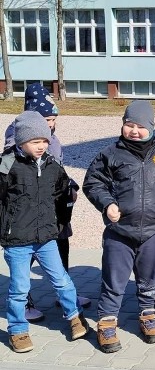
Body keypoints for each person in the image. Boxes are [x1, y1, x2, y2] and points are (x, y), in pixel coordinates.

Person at [83, 100, 155, 353]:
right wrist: (107, 204)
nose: (134, 130)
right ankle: (107, 321)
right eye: (129, 125)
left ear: (152, 127)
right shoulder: (110, 154)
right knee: (114, 280)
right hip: (119, 232)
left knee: (149, 280)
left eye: (140, 126)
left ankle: (147, 316)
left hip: (154, 231)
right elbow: (93, 183)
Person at [1, 111, 89, 352]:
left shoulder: (52, 165)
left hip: (47, 237)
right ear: (20, 142)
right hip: (17, 240)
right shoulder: (7, 166)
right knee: (19, 288)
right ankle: (18, 330)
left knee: (62, 280)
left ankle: (74, 317)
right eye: (34, 141)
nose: (41, 146)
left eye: (44, 141)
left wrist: (61, 221)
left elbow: (63, 194)